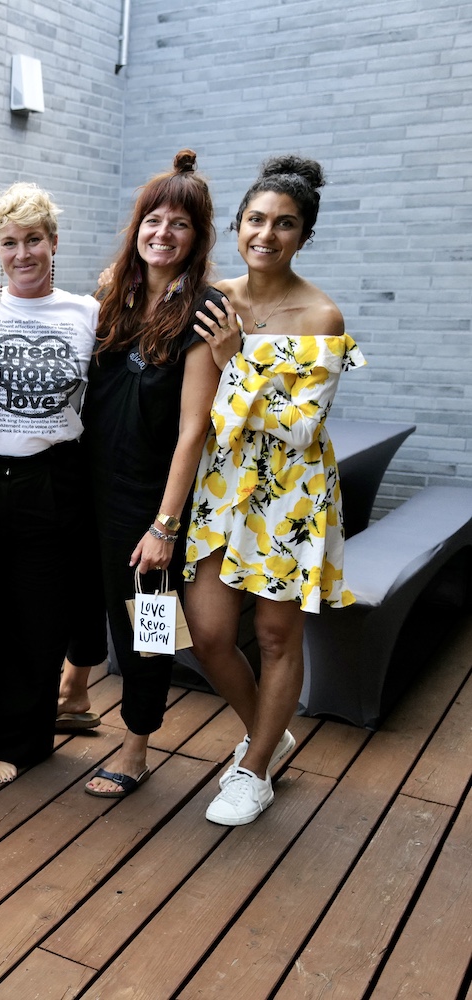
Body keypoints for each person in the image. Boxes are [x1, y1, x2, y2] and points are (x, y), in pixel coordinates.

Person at [187, 155, 363, 826]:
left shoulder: (320, 315)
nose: (267, 234)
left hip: (291, 492)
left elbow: (301, 425)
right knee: (207, 633)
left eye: (285, 224)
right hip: (219, 484)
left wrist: (235, 362)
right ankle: (270, 730)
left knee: (274, 635)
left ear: (304, 235)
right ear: (238, 226)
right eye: (256, 220)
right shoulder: (213, 298)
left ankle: (254, 770)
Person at [77, 151, 235, 798]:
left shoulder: (204, 310)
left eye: (180, 224)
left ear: (198, 237)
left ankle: (136, 747)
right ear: (137, 225)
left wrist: (165, 526)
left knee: (148, 628)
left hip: (150, 500)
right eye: (153, 219)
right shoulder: (112, 296)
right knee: (83, 603)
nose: (163, 233)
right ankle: (72, 695)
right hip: (88, 484)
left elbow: (195, 428)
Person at [0, 182, 105, 785]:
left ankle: (19, 741)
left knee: (39, 615)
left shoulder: (86, 313)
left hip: (53, 477)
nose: (23, 254)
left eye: (34, 239)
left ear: (54, 242)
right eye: (9, 242)